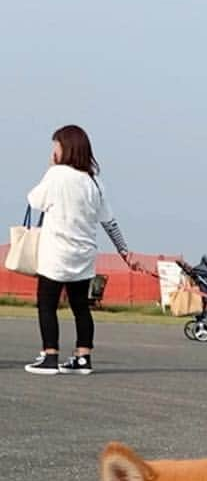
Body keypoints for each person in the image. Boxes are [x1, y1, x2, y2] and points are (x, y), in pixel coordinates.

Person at [23, 125, 139, 375]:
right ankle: (83, 357)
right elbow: (109, 222)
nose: (53, 151)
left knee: (47, 304)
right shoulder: (93, 182)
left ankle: (50, 356)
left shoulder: (57, 175)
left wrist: (50, 169)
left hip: (56, 253)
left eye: (55, 146)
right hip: (84, 255)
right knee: (80, 307)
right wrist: (124, 251)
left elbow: (34, 200)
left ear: (65, 149)